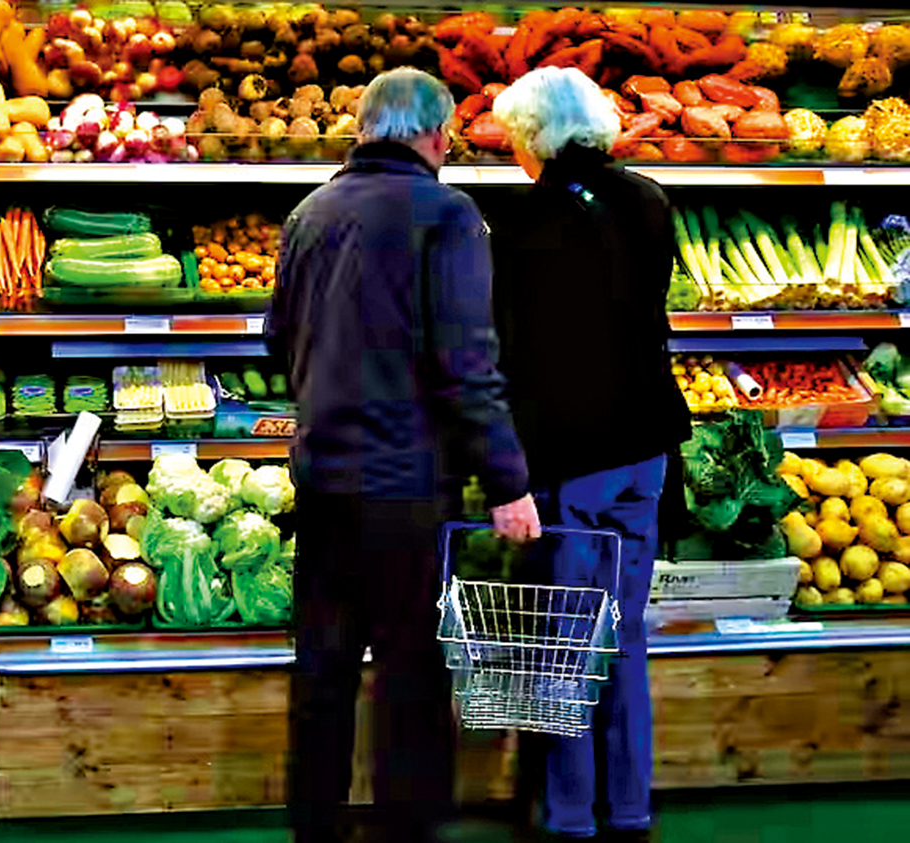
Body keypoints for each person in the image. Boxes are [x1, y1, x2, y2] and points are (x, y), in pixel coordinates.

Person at [265, 67, 541, 843]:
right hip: (405, 487)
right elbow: (468, 361)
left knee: (321, 666)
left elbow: (278, 337)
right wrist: (508, 482)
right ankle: (403, 831)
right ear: (436, 135)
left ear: (362, 129)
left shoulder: (309, 212)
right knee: (410, 672)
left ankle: (314, 828)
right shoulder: (447, 214)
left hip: (323, 477)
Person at [486, 67, 692, 842]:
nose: (514, 152)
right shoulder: (647, 197)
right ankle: (630, 807)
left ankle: (571, 815)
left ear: (537, 136)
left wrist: (513, 470)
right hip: (646, 446)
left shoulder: (528, 220)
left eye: (515, 138)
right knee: (625, 633)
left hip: (575, 454)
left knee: (567, 638)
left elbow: (520, 353)